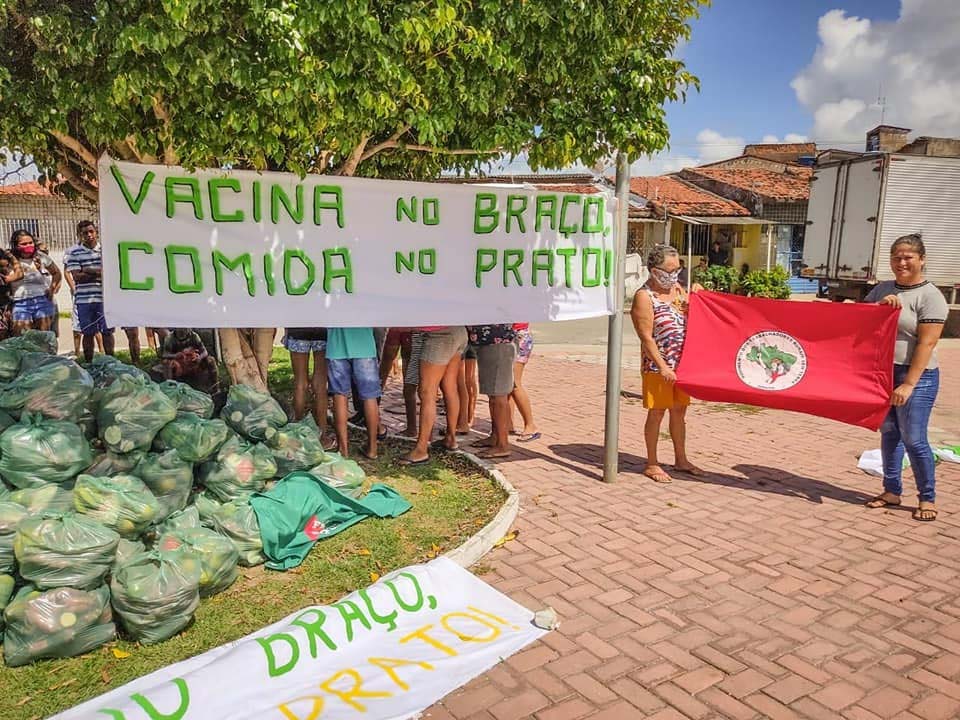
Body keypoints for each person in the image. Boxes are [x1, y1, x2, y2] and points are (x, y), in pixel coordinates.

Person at [864, 234, 948, 522]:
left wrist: (909, 384)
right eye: (896, 257)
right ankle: (891, 490)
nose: (901, 262)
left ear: (921, 260)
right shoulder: (883, 289)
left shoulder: (930, 296)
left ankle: (927, 497)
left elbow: (927, 343)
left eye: (908, 257)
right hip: (884, 373)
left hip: (918, 376)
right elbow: (859, 320)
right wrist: (878, 308)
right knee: (889, 433)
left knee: (914, 438)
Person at [630, 244, 703, 483]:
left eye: (677, 269)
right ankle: (652, 463)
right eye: (669, 270)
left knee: (679, 412)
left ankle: (681, 459)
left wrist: (699, 297)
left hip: (682, 365)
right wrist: (662, 366)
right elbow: (646, 337)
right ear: (654, 270)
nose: (674, 274)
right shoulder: (644, 296)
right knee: (657, 412)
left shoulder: (678, 289)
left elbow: (693, 315)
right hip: (657, 366)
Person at [400, 326, 467, 465]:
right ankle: (451, 438)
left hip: (437, 335)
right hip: (458, 330)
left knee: (427, 392)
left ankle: (421, 449)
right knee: (450, 387)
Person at [326, 327, 381, 459]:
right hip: (365, 346)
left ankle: (343, 449)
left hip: (336, 346)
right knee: (370, 397)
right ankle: (372, 448)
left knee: (339, 395)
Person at [64, 220, 114, 362]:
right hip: (84, 300)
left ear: (96, 232)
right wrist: (99, 272)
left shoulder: (106, 251)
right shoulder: (74, 253)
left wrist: (88, 270)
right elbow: (77, 277)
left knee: (107, 332)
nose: (89, 235)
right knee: (88, 333)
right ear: (80, 235)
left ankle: (111, 362)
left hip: (104, 299)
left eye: (91, 231)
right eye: (85, 233)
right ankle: (89, 363)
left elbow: (110, 274)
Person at [468, 324, 517, 459]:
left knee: (498, 397)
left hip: (497, 343)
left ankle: (502, 445)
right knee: (493, 395)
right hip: (488, 343)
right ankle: (495, 436)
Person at [283, 327, 332, 443]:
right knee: (320, 385)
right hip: (322, 330)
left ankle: (297, 431)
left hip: (297, 329)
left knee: (300, 384)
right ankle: (322, 435)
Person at [8, 229, 61, 334]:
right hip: (20, 302)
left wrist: (52, 289)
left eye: (30, 243)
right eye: (24, 244)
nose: (28, 246)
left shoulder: (41, 256)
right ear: (16, 246)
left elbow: (57, 273)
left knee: (43, 337)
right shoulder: (10, 260)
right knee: (23, 337)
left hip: (42, 301)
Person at [150, 327, 219, 393]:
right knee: (167, 363)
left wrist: (199, 358)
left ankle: (215, 388)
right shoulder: (170, 338)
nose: (183, 330)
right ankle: (170, 388)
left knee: (211, 360)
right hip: (179, 362)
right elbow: (165, 354)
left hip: (193, 360)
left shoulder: (194, 336)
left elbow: (205, 352)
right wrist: (175, 355)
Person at [381, 328, 418, 437]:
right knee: (411, 387)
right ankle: (412, 428)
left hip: (402, 330)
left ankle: (370, 420)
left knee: (381, 377)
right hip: (412, 332)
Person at [509, 322, 539, 442]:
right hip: (509, 335)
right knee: (507, 384)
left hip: (518, 336)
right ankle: (508, 423)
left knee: (514, 383)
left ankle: (530, 425)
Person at [0, 248, 19, 340]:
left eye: (7, 266)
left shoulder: (7, 276)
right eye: (1, 267)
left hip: (7, 308)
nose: (5, 269)